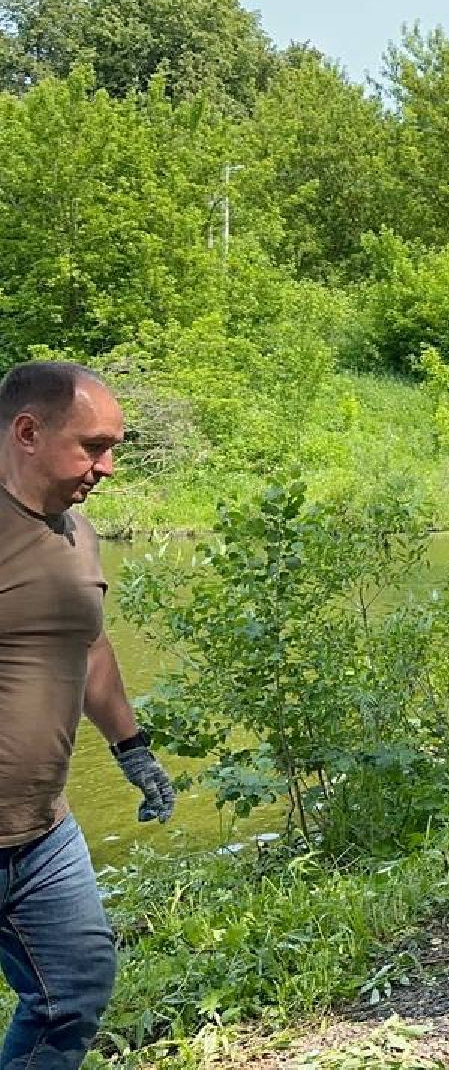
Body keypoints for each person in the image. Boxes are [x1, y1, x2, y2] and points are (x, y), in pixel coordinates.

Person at [0, 361, 177, 1070]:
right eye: (93, 446)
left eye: (114, 449)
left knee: (72, 990)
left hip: (41, 833)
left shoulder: (79, 533)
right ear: (27, 432)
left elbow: (91, 644)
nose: (106, 468)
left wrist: (132, 748)